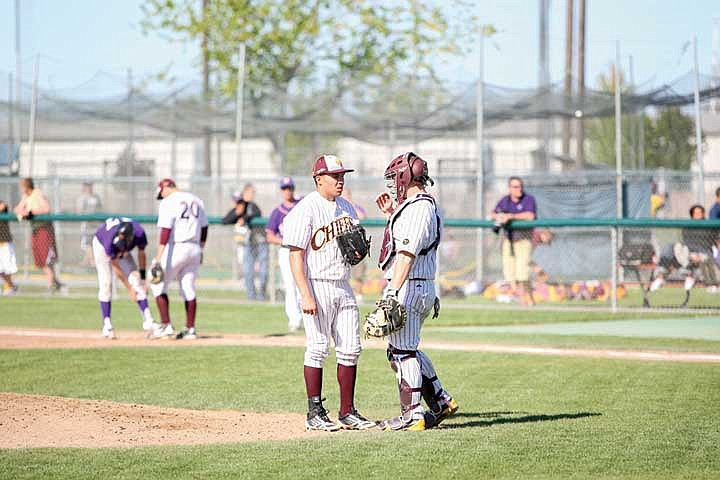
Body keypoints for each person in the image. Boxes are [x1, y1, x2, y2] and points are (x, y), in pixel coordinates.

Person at [282, 154, 375, 431]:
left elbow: (354, 248)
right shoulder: (305, 209)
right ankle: (315, 413)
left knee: (351, 349)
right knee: (319, 347)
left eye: (342, 175)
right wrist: (305, 293)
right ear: (318, 179)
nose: (340, 180)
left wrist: (358, 253)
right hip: (317, 283)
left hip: (343, 285)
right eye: (335, 176)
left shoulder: (347, 207)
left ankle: (347, 411)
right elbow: (295, 255)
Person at [374, 151, 458, 431]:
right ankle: (441, 400)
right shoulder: (416, 206)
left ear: (404, 177)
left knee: (402, 352)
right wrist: (390, 215)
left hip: (411, 284)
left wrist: (392, 292)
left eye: (393, 179)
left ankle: (412, 414)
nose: (391, 185)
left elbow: (407, 253)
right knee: (405, 348)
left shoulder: (420, 207)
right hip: (419, 284)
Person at [150, 178, 208, 340]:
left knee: (157, 285)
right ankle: (190, 329)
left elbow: (165, 232)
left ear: (166, 187)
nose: (162, 196)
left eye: (161, 192)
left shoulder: (169, 202)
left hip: (176, 247)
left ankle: (166, 325)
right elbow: (204, 228)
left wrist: (158, 258)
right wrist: (201, 249)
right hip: (194, 247)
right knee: (188, 288)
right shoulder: (196, 199)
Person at [93, 217, 156, 338]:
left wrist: (142, 279)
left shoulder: (139, 233)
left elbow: (141, 253)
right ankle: (107, 325)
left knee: (136, 280)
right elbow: (116, 267)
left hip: (124, 244)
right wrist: (129, 288)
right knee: (106, 282)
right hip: (100, 244)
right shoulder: (110, 240)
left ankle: (149, 321)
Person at [490, 176, 537, 306]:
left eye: (521, 186)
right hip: (508, 240)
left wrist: (511, 216)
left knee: (522, 273)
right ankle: (528, 298)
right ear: (510, 188)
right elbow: (492, 214)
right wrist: (501, 216)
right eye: (516, 187)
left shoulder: (528, 199)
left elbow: (530, 216)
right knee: (510, 274)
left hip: (524, 239)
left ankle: (525, 302)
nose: (519, 189)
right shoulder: (505, 201)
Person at [13, 177, 64, 293]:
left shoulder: (37, 194)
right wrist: (22, 210)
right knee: (41, 259)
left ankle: (51, 284)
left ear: (26, 186)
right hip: (35, 229)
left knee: (47, 258)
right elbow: (17, 209)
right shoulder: (26, 197)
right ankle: (55, 282)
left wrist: (30, 213)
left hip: (44, 228)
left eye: (22, 186)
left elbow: (46, 209)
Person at [265, 176, 303, 332]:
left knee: (303, 284)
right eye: (284, 188)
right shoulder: (277, 211)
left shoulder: (302, 206)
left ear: (293, 189)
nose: (287, 191)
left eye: (290, 188)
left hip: (302, 251)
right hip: (286, 250)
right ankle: (294, 320)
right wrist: (285, 240)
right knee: (290, 286)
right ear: (281, 191)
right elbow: (269, 235)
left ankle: (307, 319)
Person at [238, 184, 268, 300]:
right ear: (245, 192)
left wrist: (244, 219)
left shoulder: (254, 206)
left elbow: (256, 214)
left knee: (263, 270)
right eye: (251, 192)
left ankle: (261, 295)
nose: (253, 195)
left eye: (253, 192)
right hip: (248, 242)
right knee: (247, 270)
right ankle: (251, 296)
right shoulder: (241, 206)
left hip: (260, 241)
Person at [76, 181, 102, 267]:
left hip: (95, 224)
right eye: (87, 186)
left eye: (90, 185)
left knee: (91, 243)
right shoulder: (82, 198)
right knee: (86, 243)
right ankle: (88, 261)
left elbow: (100, 208)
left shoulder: (96, 197)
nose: (89, 187)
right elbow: (79, 211)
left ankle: (91, 262)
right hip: (86, 223)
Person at [0, 200, 19, 295]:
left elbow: (3, 206)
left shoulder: (2, 205)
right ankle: (11, 285)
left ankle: (9, 287)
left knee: (7, 268)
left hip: (5, 243)